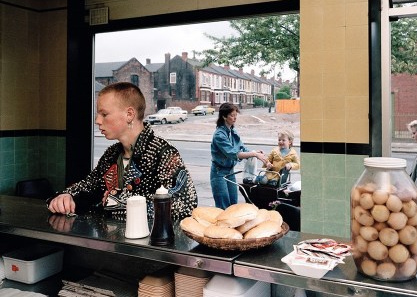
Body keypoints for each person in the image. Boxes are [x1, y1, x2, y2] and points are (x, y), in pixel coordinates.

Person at [47, 82, 198, 221]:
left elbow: (185, 204)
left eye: (104, 114)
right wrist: (66, 196)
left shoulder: (163, 152)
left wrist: (121, 202)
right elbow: (89, 185)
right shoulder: (111, 154)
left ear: (129, 115)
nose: (97, 120)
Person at [210, 103, 268, 209]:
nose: (235, 117)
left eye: (236, 115)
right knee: (223, 206)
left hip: (230, 171)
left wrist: (255, 153)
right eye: (232, 115)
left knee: (233, 204)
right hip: (219, 173)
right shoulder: (219, 135)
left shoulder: (233, 132)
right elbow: (233, 154)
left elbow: (242, 148)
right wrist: (254, 154)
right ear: (224, 116)